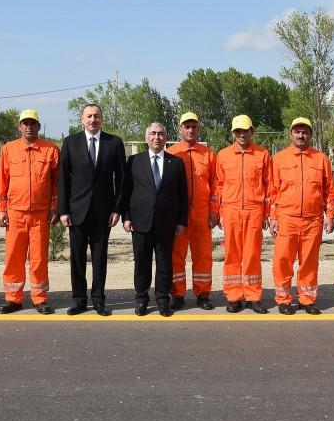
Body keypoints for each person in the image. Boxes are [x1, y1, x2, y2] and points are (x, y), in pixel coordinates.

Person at [57, 103, 126, 316]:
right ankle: (79, 300)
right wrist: (63, 210)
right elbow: (63, 179)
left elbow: (121, 180)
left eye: (96, 116)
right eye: (89, 116)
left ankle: (98, 299)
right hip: (76, 211)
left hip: (103, 213)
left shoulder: (114, 143)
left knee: (99, 258)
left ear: (102, 119)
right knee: (77, 258)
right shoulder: (70, 143)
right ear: (82, 119)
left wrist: (117, 210)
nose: (93, 120)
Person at [118, 122, 188, 317]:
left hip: (167, 223)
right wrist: (126, 217)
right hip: (140, 221)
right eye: (153, 134)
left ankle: (163, 300)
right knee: (142, 264)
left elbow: (183, 195)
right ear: (147, 137)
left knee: (165, 264)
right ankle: (141, 299)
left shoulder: (176, 163)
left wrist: (181, 221)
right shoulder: (134, 161)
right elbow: (126, 191)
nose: (157, 137)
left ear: (166, 138)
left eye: (160, 134)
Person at [268, 118, 334, 315]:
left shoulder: (321, 159)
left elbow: (329, 190)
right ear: (291, 134)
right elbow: (273, 191)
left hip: (313, 220)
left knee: (309, 262)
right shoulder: (279, 159)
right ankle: (283, 299)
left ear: (310, 135)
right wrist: (273, 217)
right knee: (283, 260)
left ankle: (307, 300)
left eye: (305, 132)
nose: (300, 135)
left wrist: (330, 215)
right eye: (297, 131)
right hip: (286, 218)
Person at [0, 109, 59, 315]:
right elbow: (2, 182)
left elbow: (56, 184)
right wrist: (1, 210)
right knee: (13, 257)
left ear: (39, 126)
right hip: (15, 213)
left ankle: (40, 298)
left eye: (33, 123)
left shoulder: (50, 150)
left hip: (40, 214)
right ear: (19, 126)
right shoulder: (8, 149)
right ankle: (13, 298)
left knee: (39, 258)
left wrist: (54, 209)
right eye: (25, 123)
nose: (29, 126)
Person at [215, 115, 271, 314]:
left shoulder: (263, 155)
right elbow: (219, 186)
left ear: (251, 132)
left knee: (252, 255)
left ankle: (253, 296)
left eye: (245, 130)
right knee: (232, 255)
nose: (241, 134)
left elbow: (268, 186)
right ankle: (233, 297)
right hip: (230, 211)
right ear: (233, 133)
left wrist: (266, 214)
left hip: (254, 211)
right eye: (237, 131)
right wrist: (218, 212)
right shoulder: (223, 155)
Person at [165, 112, 218, 310]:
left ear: (198, 129)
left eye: (193, 126)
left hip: (202, 214)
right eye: (186, 126)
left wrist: (214, 212)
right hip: (178, 215)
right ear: (180, 129)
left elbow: (216, 186)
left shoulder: (208, 154)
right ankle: (177, 294)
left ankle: (203, 293)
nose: (190, 130)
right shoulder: (170, 153)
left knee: (203, 256)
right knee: (176, 255)